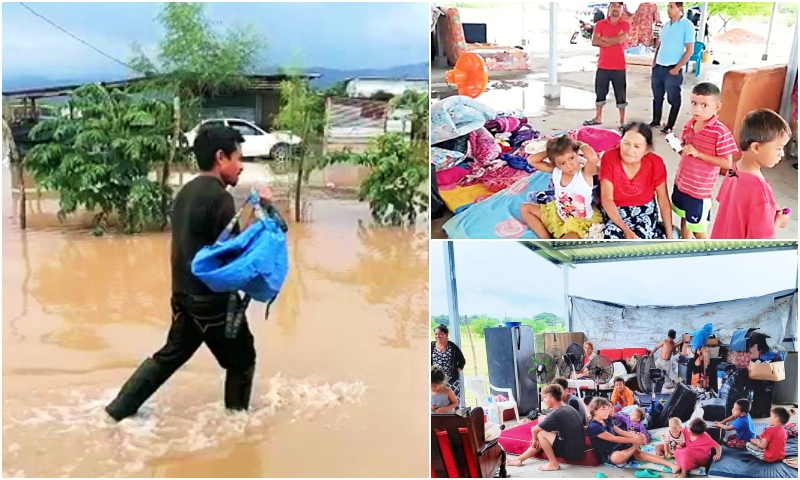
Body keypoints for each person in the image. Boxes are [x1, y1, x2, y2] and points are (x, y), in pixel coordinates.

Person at [105, 126, 274, 421]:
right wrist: (264, 209)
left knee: (169, 357)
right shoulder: (219, 198)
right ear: (221, 158)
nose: (242, 165)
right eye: (238, 158)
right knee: (242, 360)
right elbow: (235, 255)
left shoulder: (185, 192)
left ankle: (117, 411)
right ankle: (236, 427)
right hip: (213, 305)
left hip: (183, 298)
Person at [671, 82, 738, 239]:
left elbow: (727, 164)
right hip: (682, 183)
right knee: (684, 219)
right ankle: (685, 249)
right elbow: (686, 153)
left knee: (699, 230)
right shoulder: (689, 125)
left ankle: (709, 255)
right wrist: (679, 147)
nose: (697, 109)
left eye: (704, 105)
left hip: (699, 191)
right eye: (694, 103)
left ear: (717, 107)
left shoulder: (720, 132)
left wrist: (698, 154)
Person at [711, 109, 792, 239]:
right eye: (778, 148)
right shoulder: (761, 191)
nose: (782, 154)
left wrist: (766, 208)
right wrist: (778, 221)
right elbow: (762, 240)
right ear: (756, 147)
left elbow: (728, 202)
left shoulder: (733, 170)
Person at [599, 122, 674, 239]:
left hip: (644, 212)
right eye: (626, 143)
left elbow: (663, 199)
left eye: (637, 146)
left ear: (647, 149)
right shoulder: (609, 158)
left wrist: (669, 235)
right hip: (616, 212)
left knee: (641, 237)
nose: (629, 150)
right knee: (611, 236)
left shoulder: (656, 163)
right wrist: (625, 230)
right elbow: (607, 198)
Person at [521, 136, 603, 239]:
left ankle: (556, 243)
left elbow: (593, 158)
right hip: (558, 214)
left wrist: (579, 144)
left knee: (565, 242)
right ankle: (546, 240)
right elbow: (532, 160)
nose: (569, 165)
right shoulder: (556, 171)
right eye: (562, 163)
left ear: (577, 154)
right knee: (525, 208)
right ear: (556, 164)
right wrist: (552, 151)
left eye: (572, 158)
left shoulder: (585, 173)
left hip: (579, 222)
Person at [507, 384, 586, 471]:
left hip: (572, 451)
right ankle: (519, 459)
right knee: (543, 433)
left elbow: (535, 430)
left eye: (545, 397)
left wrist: (535, 439)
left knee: (541, 434)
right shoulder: (568, 408)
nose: (543, 400)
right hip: (578, 447)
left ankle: (553, 463)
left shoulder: (557, 413)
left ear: (552, 399)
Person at [587, 397, 676, 470]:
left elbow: (621, 432)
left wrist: (637, 436)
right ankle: (635, 446)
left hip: (619, 446)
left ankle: (671, 465)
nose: (607, 411)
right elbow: (614, 438)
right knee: (616, 458)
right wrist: (635, 440)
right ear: (595, 411)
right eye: (603, 409)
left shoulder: (607, 420)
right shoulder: (594, 426)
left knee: (640, 454)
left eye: (607, 409)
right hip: (609, 453)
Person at [650, 2, 695, 134]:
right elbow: (660, 44)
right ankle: (655, 120)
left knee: (673, 98)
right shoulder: (666, 25)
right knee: (657, 96)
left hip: (673, 68)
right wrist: (654, 61)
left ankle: (670, 125)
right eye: (668, 6)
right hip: (659, 67)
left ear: (679, 8)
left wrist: (677, 68)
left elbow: (689, 50)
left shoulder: (687, 25)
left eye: (671, 7)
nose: (668, 10)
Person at [585, 2, 631, 127]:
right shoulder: (600, 24)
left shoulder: (626, 24)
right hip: (603, 65)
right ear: (609, 8)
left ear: (622, 9)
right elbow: (594, 41)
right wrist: (614, 40)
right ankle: (598, 117)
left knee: (621, 94)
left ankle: (622, 121)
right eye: (613, 6)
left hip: (619, 66)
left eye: (618, 6)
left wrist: (604, 39)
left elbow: (621, 39)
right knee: (600, 93)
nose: (616, 8)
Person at [431, 324, 466, 400]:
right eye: (436, 334)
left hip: (450, 380)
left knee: (453, 401)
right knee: (437, 401)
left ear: (446, 334)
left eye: (441, 334)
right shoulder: (431, 346)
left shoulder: (452, 346)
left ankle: (453, 412)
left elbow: (462, 361)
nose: (438, 336)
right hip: (435, 380)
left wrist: (456, 371)